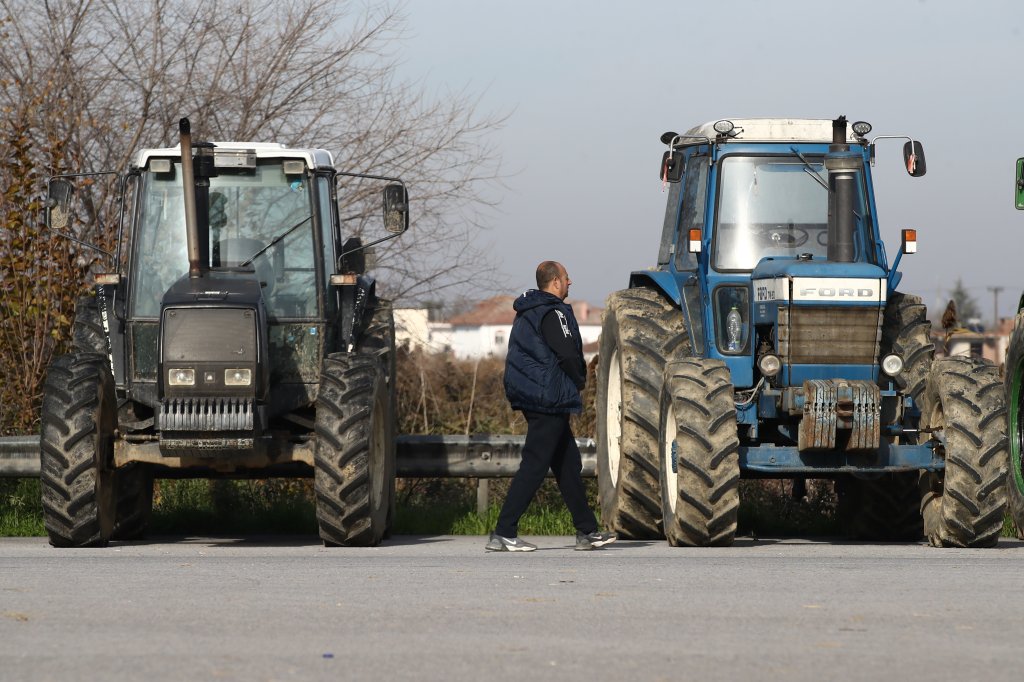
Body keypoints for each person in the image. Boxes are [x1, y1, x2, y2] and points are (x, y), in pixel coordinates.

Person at [486, 261, 618, 552]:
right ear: (555, 281)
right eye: (567, 278)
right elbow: (568, 353)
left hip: (536, 393)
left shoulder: (528, 311)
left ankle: (587, 531)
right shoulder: (553, 311)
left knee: (567, 464)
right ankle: (504, 532)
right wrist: (580, 380)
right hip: (548, 398)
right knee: (535, 464)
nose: (570, 283)